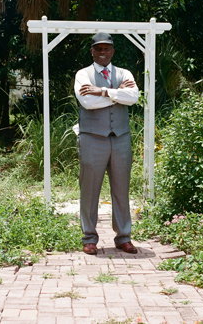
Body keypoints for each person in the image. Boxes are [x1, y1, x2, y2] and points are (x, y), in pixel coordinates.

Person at [74, 32, 139, 255]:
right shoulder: (83, 74)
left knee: (122, 189)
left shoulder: (124, 73)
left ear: (113, 51)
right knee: (90, 190)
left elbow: (133, 98)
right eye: (98, 48)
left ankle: (123, 237)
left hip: (121, 138)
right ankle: (89, 237)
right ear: (92, 51)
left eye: (107, 48)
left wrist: (102, 90)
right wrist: (118, 93)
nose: (103, 52)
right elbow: (87, 102)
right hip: (92, 138)